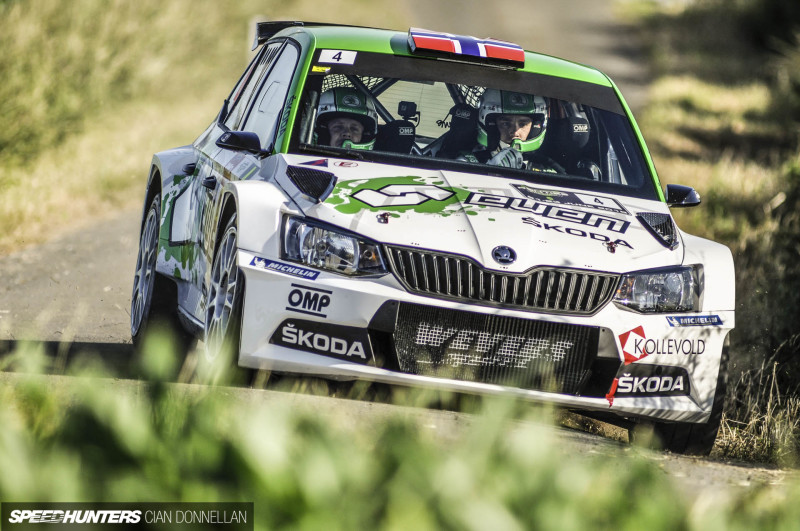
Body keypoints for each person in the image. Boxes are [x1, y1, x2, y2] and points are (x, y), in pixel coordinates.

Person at [464, 89, 562, 172]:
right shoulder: (467, 163)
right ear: (491, 126)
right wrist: (489, 171)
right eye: (506, 124)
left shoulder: (546, 169)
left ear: (535, 127)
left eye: (523, 124)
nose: (515, 132)